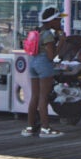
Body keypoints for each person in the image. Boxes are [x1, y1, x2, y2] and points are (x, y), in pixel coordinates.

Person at [21, 7, 67, 138]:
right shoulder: (48, 35)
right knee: (43, 97)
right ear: (51, 21)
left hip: (33, 63)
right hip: (43, 65)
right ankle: (45, 128)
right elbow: (51, 56)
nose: (60, 22)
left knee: (34, 96)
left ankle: (30, 127)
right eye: (58, 19)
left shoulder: (37, 31)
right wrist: (61, 42)